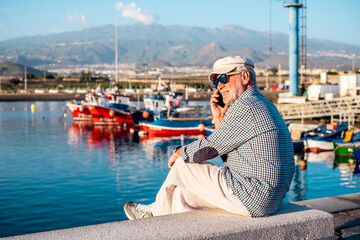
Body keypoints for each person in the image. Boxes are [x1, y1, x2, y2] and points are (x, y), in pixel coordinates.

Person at [123, 56, 295, 219]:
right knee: (183, 194)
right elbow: (226, 150)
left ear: (244, 76)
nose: (218, 87)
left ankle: (152, 213)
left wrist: (178, 152)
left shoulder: (245, 106)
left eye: (223, 79)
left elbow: (209, 147)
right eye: (215, 82)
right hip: (268, 199)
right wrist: (219, 118)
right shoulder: (264, 104)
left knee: (184, 165)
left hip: (253, 196)